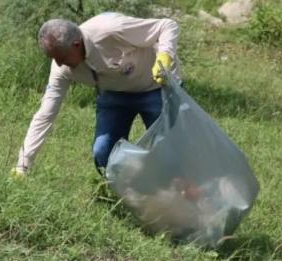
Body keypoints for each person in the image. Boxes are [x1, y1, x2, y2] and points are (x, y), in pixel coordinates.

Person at [12, 13, 181, 176]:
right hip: (114, 96)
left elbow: (167, 26)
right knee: (103, 152)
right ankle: (130, 195)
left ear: (76, 44)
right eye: (53, 58)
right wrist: (23, 165)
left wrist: (165, 56)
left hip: (155, 88)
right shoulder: (61, 68)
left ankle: (183, 194)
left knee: (169, 150)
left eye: (61, 57)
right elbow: (45, 115)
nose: (58, 63)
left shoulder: (111, 29)